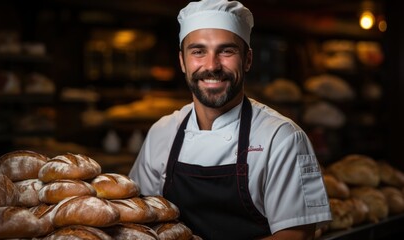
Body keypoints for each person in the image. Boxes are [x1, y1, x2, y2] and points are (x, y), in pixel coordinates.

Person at [129, 0, 332, 239]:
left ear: (247, 59)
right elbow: (139, 221)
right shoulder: (162, 132)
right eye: (198, 51)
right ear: (183, 62)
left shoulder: (282, 138)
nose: (212, 65)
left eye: (226, 51)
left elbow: (295, 236)